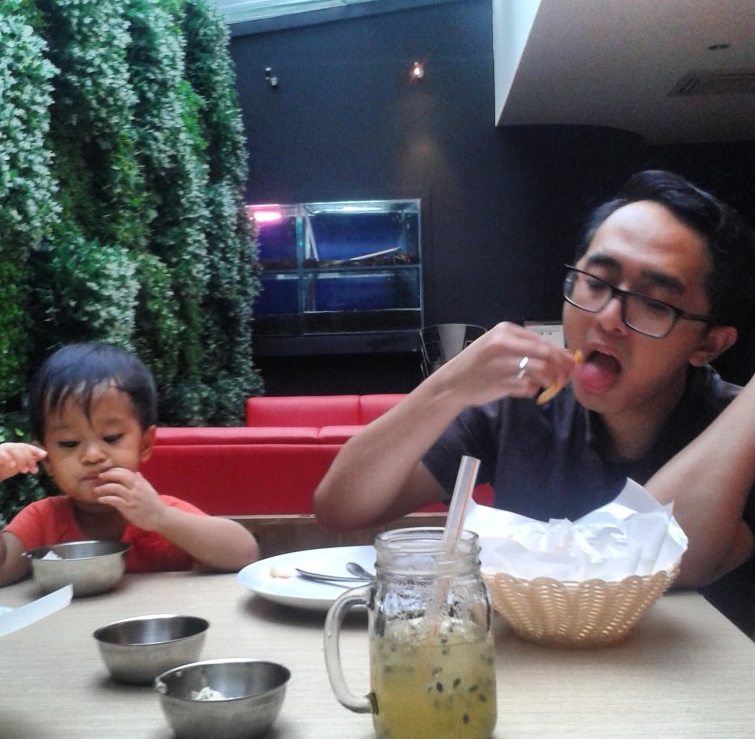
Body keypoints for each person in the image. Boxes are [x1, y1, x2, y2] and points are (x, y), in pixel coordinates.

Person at [314, 170, 755, 591]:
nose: (607, 318)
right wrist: (449, 385)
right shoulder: (524, 404)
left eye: (654, 303)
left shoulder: (739, 431)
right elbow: (341, 507)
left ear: (709, 344)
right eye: (595, 282)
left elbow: (670, 562)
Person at [0, 342, 260, 588]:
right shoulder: (43, 520)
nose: (92, 455)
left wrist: (161, 517)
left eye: (111, 437)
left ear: (145, 444)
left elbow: (245, 553)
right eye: (69, 443)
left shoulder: (159, 512)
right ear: (46, 458)